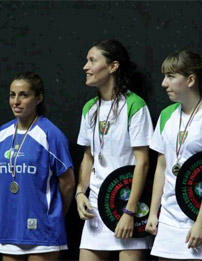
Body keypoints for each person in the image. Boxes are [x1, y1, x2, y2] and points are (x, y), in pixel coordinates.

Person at [145, 50, 202, 260]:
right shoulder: (166, 115)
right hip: (169, 218)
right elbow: (162, 167)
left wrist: (201, 223)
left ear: (191, 80)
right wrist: (154, 212)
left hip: (201, 219)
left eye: (171, 77)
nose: (164, 83)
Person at [75, 39, 154, 261]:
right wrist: (81, 192)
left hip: (128, 205)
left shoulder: (135, 105)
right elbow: (88, 157)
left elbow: (143, 162)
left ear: (113, 66)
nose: (85, 67)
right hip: (96, 208)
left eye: (92, 60)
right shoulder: (89, 108)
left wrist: (129, 212)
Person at [0, 72, 75, 261]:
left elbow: (68, 183)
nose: (16, 101)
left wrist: (53, 217)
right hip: (10, 229)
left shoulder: (50, 134)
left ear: (38, 98)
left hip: (43, 231)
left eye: (23, 95)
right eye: (12, 95)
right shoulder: (2, 134)